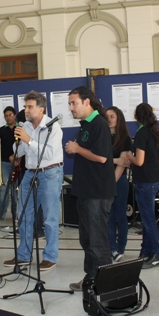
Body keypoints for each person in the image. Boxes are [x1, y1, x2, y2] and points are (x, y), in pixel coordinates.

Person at [3, 90, 63, 272]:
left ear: (41, 109)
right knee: (24, 215)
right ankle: (23, 255)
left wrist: (28, 141)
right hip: (30, 174)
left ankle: (50, 257)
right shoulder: (26, 126)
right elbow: (19, 152)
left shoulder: (53, 127)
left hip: (50, 173)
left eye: (30, 107)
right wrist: (19, 141)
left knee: (50, 218)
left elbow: (48, 153)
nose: (26, 110)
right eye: (25, 107)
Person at [65, 86, 116, 291]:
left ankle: (105, 284)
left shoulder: (99, 124)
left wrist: (77, 149)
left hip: (97, 192)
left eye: (73, 103)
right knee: (87, 239)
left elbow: (102, 157)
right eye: (69, 104)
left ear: (87, 102)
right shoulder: (85, 125)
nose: (71, 108)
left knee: (97, 241)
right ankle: (91, 278)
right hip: (85, 191)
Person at [124, 103, 159, 269]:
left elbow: (138, 161)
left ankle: (155, 253)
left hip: (144, 181)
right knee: (147, 218)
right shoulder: (155, 133)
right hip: (153, 179)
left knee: (148, 220)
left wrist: (128, 156)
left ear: (136, 117)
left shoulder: (141, 134)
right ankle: (146, 250)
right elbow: (158, 158)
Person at [105, 106, 132, 263]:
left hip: (119, 181)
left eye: (112, 116)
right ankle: (112, 248)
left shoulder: (125, 139)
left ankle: (120, 248)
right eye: (107, 116)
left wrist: (111, 183)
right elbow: (102, 159)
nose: (109, 119)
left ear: (119, 119)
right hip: (105, 180)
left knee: (120, 216)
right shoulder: (102, 136)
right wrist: (114, 160)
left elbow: (123, 164)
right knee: (109, 216)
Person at [0, 106, 17, 221]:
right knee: (3, 189)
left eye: (10, 115)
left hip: (18, 164)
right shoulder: (1, 130)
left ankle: (16, 215)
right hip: (4, 163)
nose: (8, 117)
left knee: (16, 190)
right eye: (6, 116)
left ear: (15, 116)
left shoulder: (20, 128)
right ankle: (1, 215)